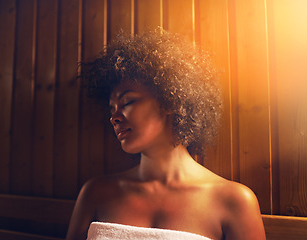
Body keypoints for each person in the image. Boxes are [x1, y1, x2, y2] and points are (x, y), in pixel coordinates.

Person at [66, 30, 266, 240]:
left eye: (127, 102)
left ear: (170, 101)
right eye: (111, 109)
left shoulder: (235, 201)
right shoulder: (95, 193)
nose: (114, 117)